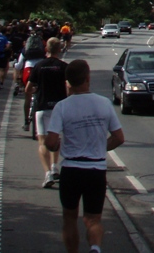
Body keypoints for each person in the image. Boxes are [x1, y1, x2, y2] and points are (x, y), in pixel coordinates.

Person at [45, 60, 124, 253]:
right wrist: (100, 148)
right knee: (93, 218)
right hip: (96, 169)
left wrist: (57, 144)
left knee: (70, 217)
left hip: (71, 169)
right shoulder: (104, 103)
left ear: (68, 82)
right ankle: (95, 248)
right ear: (88, 79)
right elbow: (119, 137)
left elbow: (50, 142)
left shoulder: (62, 107)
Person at [26, 37, 68, 188]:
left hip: (42, 106)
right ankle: (54, 166)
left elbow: (28, 88)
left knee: (42, 142)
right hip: (59, 108)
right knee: (55, 139)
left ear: (46, 49)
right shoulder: (64, 67)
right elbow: (69, 87)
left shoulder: (39, 66)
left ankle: (47, 174)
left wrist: (36, 90)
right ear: (60, 49)